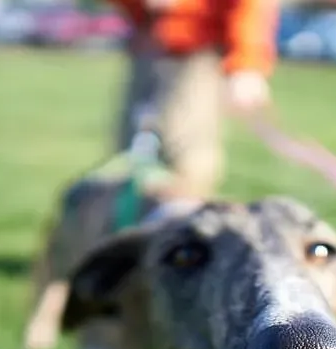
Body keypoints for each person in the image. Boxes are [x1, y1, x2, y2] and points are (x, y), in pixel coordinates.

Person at [106, 0, 279, 199]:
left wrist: (246, 63)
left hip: (197, 50)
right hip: (149, 45)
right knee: (131, 156)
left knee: (187, 158)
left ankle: (187, 223)